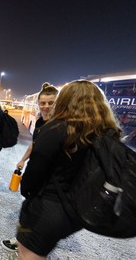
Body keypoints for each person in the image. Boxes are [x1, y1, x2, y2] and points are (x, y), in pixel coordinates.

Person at [16, 80, 121, 259]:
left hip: (49, 208)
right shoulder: (107, 133)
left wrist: (27, 192)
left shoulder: (57, 129)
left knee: (28, 254)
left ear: (65, 100)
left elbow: (35, 172)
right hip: (78, 211)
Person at [2, 82, 58, 252]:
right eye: (43, 103)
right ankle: (23, 240)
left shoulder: (59, 125)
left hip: (49, 178)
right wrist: (23, 160)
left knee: (34, 212)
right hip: (35, 172)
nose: (46, 107)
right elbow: (34, 144)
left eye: (51, 103)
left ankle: (24, 242)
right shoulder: (40, 122)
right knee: (28, 208)